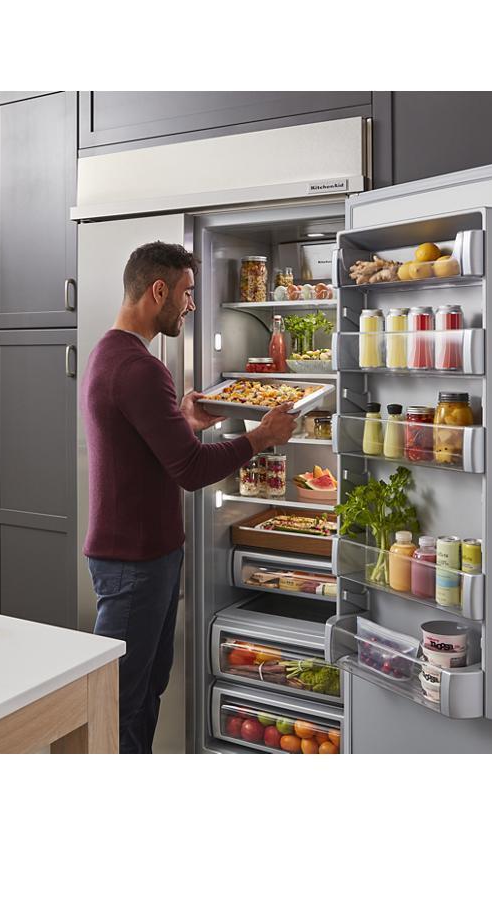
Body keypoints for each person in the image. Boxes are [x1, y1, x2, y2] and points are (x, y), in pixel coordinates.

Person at [80, 240, 297, 753]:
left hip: (140, 555)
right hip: (134, 562)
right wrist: (262, 436)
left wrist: (184, 420)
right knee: (121, 702)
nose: (192, 304)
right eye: (187, 292)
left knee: (145, 691)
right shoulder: (138, 367)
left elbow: (150, 447)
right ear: (159, 291)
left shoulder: (114, 355)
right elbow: (192, 469)